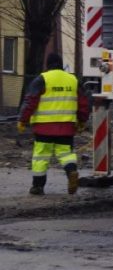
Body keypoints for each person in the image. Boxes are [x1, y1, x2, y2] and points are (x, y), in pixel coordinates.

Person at [17, 53, 90, 195]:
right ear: (61, 64)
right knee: (66, 154)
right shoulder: (73, 80)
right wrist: (82, 120)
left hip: (44, 128)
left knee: (41, 157)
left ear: (47, 65)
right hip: (66, 127)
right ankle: (71, 172)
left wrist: (22, 120)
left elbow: (30, 101)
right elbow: (83, 103)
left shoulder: (42, 79)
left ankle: (38, 187)